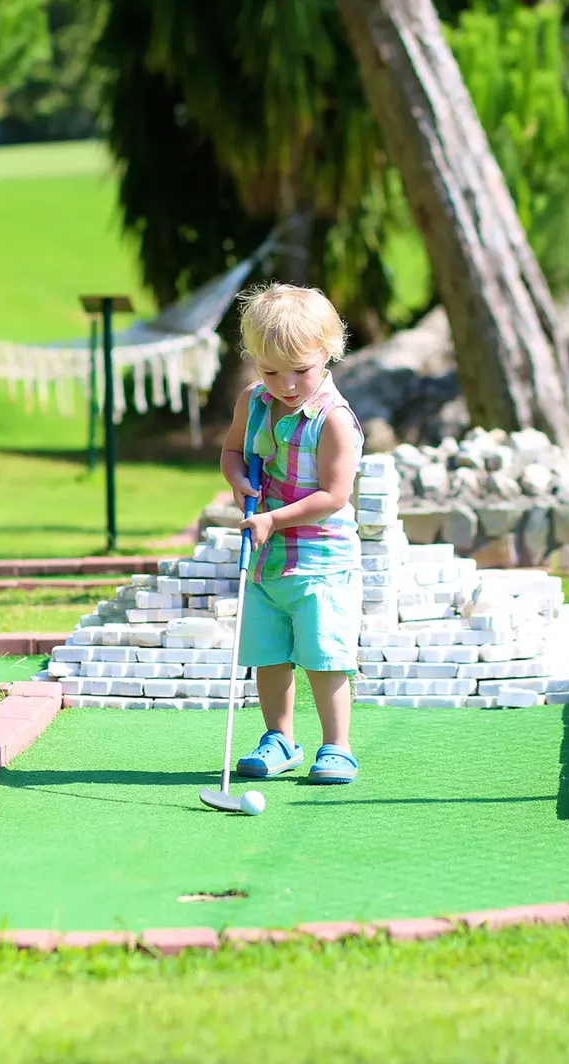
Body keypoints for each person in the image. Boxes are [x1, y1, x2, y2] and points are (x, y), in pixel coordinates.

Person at [219, 283, 362, 784]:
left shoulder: (334, 420)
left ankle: (336, 746)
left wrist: (273, 518)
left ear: (328, 352)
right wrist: (240, 485)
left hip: (320, 560)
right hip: (264, 558)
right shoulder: (254, 402)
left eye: (300, 370)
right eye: (269, 370)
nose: (286, 384)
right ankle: (279, 738)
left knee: (323, 656)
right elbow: (233, 454)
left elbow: (334, 495)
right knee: (269, 655)